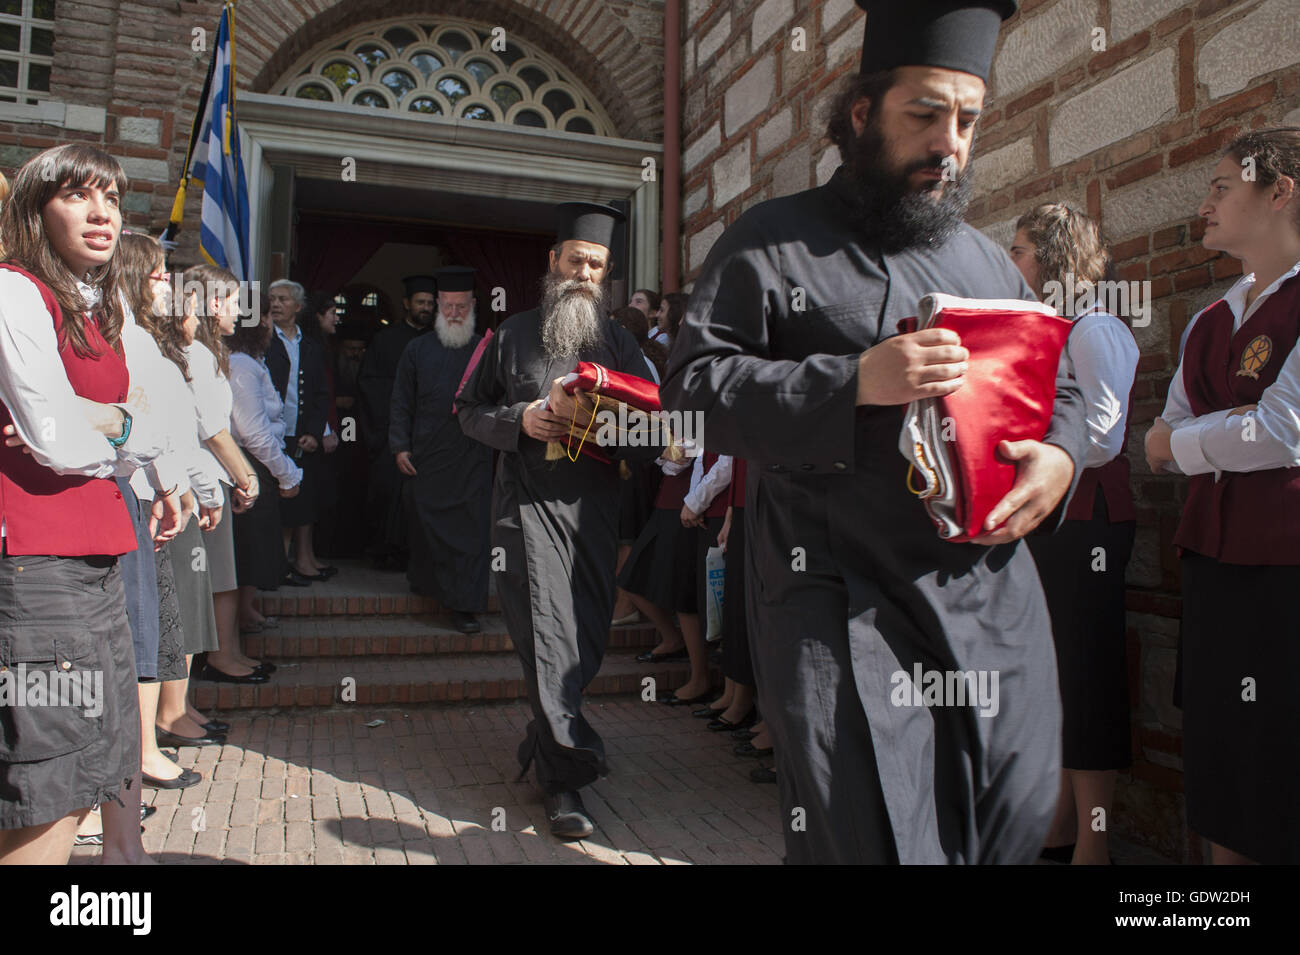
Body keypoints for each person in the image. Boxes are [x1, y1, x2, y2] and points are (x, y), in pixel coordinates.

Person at [661, 0, 1088, 864]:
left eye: (967, 119)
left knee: (1015, 805)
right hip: (834, 594)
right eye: (925, 114)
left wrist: (1062, 455)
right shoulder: (768, 242)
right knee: (866, 833)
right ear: (862, 114)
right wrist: (853, 382)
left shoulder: (988, 261)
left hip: (984, 597)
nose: (950, 143)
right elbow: (693, 390)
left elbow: (1061, 379)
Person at [458, 201, 661, 839]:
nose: (584, 273)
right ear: (554, 263)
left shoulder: (623, 344)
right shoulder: (507, 333)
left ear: (607, 275)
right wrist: (517, 420)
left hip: (595, 510)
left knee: (585, 641)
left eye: (596, 265)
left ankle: (550, 736)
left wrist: (602, 424)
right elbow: (466, 408)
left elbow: (657, 428)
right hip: (526, 508)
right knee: (549, 637)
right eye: (576, 260)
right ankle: (565, 783)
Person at [0, 144, 164, 863]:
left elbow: (151, 427)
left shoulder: (96, 307)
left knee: (101, 745)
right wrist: (112, 425)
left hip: (98, 554)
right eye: (78, 196)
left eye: (113, 198)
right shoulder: (14, 291)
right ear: (37, 210)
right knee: (53, 775)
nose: (103, 213)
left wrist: (104, 421)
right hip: (37, 562)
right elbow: (52, 438)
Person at [1144, 127, 1300, 866]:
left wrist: (1192, 442)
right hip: (1212, 560)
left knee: (1279, 746)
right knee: (1219, 743)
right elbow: (1161, 434)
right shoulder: (1209, 318)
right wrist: (1214, 435)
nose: (1203, 204)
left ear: (1279, 192)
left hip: (1286, 563)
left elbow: (1283, 430)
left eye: (1221, 186)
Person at [1009, 204, 1139, 866]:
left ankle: (1095, 842)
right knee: (1055, 675)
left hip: (1087, 520)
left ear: (1057, 256)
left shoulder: (1096, 327)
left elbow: (1106, 438)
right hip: (1052, 520)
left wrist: (1031, 449)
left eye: (1022, 250)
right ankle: (1060, 828)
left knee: (1086, 675)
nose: (1013, 262)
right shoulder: (1049, 327)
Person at [389, 266, 493, 633]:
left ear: (473, 306)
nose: (453, 313)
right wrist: (399, 446)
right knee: (425, 528)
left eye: (460, 306)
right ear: (437, 307)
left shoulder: (488, 349)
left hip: (472, 458)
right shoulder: (416, 349)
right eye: (446, 306)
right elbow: (401, 400)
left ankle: (464, 607)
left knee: (470, 534)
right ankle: (429, 588)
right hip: (426, 457)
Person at [226, 310, 303, 634]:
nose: (272, 324)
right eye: (268, 316)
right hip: (251, 461)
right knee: (247, 548)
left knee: (253, 547)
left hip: (258, 460)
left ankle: (246, 609)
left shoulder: (251, 360)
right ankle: (236, 623)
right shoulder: (241, 364)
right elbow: (253, 433)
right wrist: (287, 473)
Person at [359, 274, 435, 568]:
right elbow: (369, 384)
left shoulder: (439, 341)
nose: (425, 308)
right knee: (386, 490)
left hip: (427, 434)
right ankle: (383, 552)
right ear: (406, 304)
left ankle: (414, 553)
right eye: (420, 302)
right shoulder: (385, 339)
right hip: (391, 430)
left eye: (430, 303)